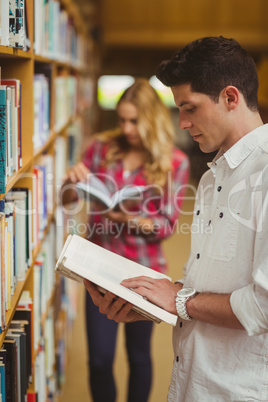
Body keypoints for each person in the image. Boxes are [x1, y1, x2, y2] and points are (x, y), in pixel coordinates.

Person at [84, 36, 268, 402]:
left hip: (236, 390)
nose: (181, 123)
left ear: (230, 98)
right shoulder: (214, 174)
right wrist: (150, 301)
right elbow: (211, 279)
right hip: (193, 382)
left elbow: (263, 306)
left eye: (190, 108)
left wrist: (179, 300)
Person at [61, 78, 190, 402]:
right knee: (100, 360)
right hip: (98, 266)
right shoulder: (101, 147)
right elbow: (67, 203)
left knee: (139, 356)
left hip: (143, 271)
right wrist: (69, 182)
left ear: (152, 119)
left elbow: (167, 225)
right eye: (122, 119)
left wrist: (127, 218)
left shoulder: (175, 162)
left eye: (135, 120)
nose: (127, 128)